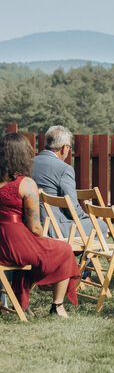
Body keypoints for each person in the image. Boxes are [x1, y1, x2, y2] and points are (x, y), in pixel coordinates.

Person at [0, 133, 79, 317]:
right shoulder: (26, 184)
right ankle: (57, 306)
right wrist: (45, 237)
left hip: (1, 244)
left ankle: (21, 303)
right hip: (16, 244)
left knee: (37, 253)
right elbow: (34, 227)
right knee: (64, 249)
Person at [32, 125, 105, 239]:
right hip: (55, 229)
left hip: (31, 224)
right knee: (101, 225)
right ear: (64, 147)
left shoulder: (29, 163)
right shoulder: (64, 169)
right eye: (69, 147)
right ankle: (87, 257)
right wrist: (86, 217)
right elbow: (72, 208)